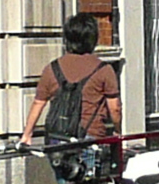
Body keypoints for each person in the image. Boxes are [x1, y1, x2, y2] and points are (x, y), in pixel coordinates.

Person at [25, 14, 123, 149]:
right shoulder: (104, 70)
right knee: (91, 168)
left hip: (56, 138)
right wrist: (118, 131)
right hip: (90, 137)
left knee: (61, 169)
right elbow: (115, 108)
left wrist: (27, 134)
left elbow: (38, 103)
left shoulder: (52, 69)